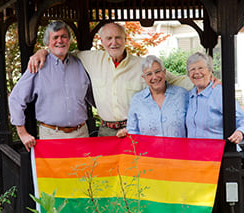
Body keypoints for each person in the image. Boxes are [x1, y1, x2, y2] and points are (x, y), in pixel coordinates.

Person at [28, 22, 199, 137]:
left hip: (134, 130)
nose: (114, 43)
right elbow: (60, 51)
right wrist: (41, 52)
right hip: (105, 131)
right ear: (101, 41)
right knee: (108, 180)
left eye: (118, 38)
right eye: (109, 38)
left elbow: (176, 80)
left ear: (125, 40)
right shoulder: (90, 59)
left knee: (136, 177)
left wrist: (205, 81)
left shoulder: (142, 65)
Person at [8, 21, 93, 152]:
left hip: (81, 134)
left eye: (64, 36)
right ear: (47, 43)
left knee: (83, 172)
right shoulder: (37, 66)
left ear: (69, 40)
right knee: (56, 173)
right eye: (55, 37)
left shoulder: (81, 64)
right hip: (52, 135)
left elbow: (96, 96)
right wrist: (22, 133)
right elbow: (15, 99)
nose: (60, 40)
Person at [185, 52, 244, 146]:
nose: (196, 72)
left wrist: (240, 132)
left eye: (201, 68)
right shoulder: (189, 96)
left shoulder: (220, 93)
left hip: (220, 154)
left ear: (210, 71)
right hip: (196, 156)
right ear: (188, 74)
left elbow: (242, 120)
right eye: (192, 69)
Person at [116, 55, 188, 138]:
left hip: (179, 150)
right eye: (149, 74)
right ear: (144, 78)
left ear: (164, 72)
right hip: (148, 150)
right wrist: (125, 134)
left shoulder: (182, 95)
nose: (154, 77)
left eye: (157, 72)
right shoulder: (137, 100)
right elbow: (132, 131)